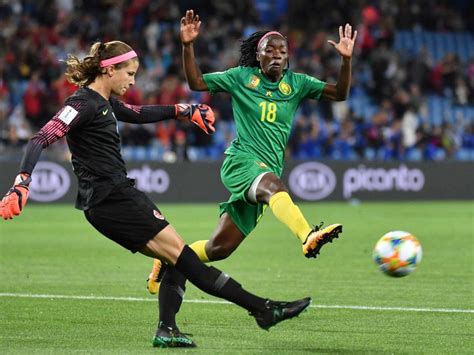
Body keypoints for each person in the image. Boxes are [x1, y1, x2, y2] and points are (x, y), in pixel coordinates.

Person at [0, 40, 311, 348]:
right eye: (130, 73)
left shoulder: (103, 103)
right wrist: (21, 182)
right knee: (188, 261)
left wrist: (184, 110)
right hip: (114, 200)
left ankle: (169, 329)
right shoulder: (82, 104)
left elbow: (136, 113)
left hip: (110, 200)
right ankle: (263, 309)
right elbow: (40, 138)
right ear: (109, 70)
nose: (134, 81)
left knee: (178, 260)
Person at [147, 8, 357, 330]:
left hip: (265, 170)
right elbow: (196, 81)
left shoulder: (297, 84)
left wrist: (345, 60)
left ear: (288, 58)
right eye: (268, 51)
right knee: (275, 187)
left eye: (281, 51)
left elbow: (339, 93)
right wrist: (188, 45)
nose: (275, 55)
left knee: (220, 249)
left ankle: (171, 256)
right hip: (242, 162)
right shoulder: (241, 77)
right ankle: (307, 234)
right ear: (257, 57)